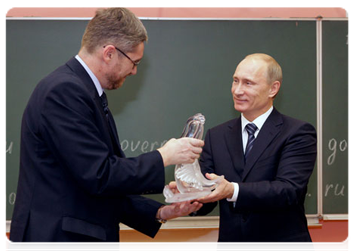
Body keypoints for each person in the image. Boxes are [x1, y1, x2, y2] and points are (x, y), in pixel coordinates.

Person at [8, 7, 204, 251]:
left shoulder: (84, 91)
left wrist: (163, 211)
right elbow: (99, 175)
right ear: (110, 53)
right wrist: (165, 155)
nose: (134, 71)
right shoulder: (64, 92)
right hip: (60, 243)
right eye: (134, 62)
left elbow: (97, 186)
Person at [194, 53, 317, 250]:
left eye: (248, 83)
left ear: (273, 88)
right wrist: (189, 193)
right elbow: (208, 196)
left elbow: (288, 190)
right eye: (235, 81)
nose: (237, 90)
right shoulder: (216, 136)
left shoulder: (298, 132)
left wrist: (233, 190)